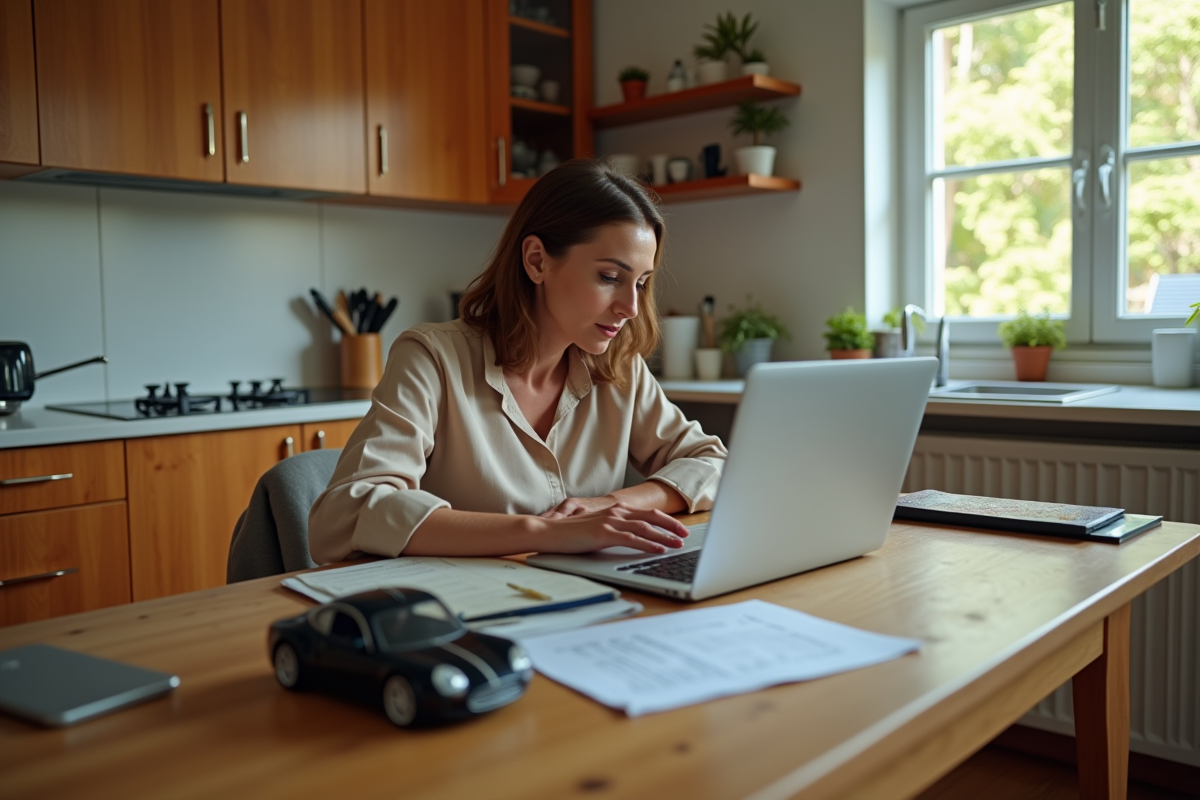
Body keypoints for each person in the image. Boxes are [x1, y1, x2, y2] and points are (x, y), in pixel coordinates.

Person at [308, 159, 728, 564]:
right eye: (609, 277)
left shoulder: (619, 368)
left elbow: (715, 464)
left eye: (640, 283)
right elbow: (347, 512)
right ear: (536, 260)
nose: (631, 308)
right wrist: (544, 533)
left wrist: (609, 505)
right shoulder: (433, 359)